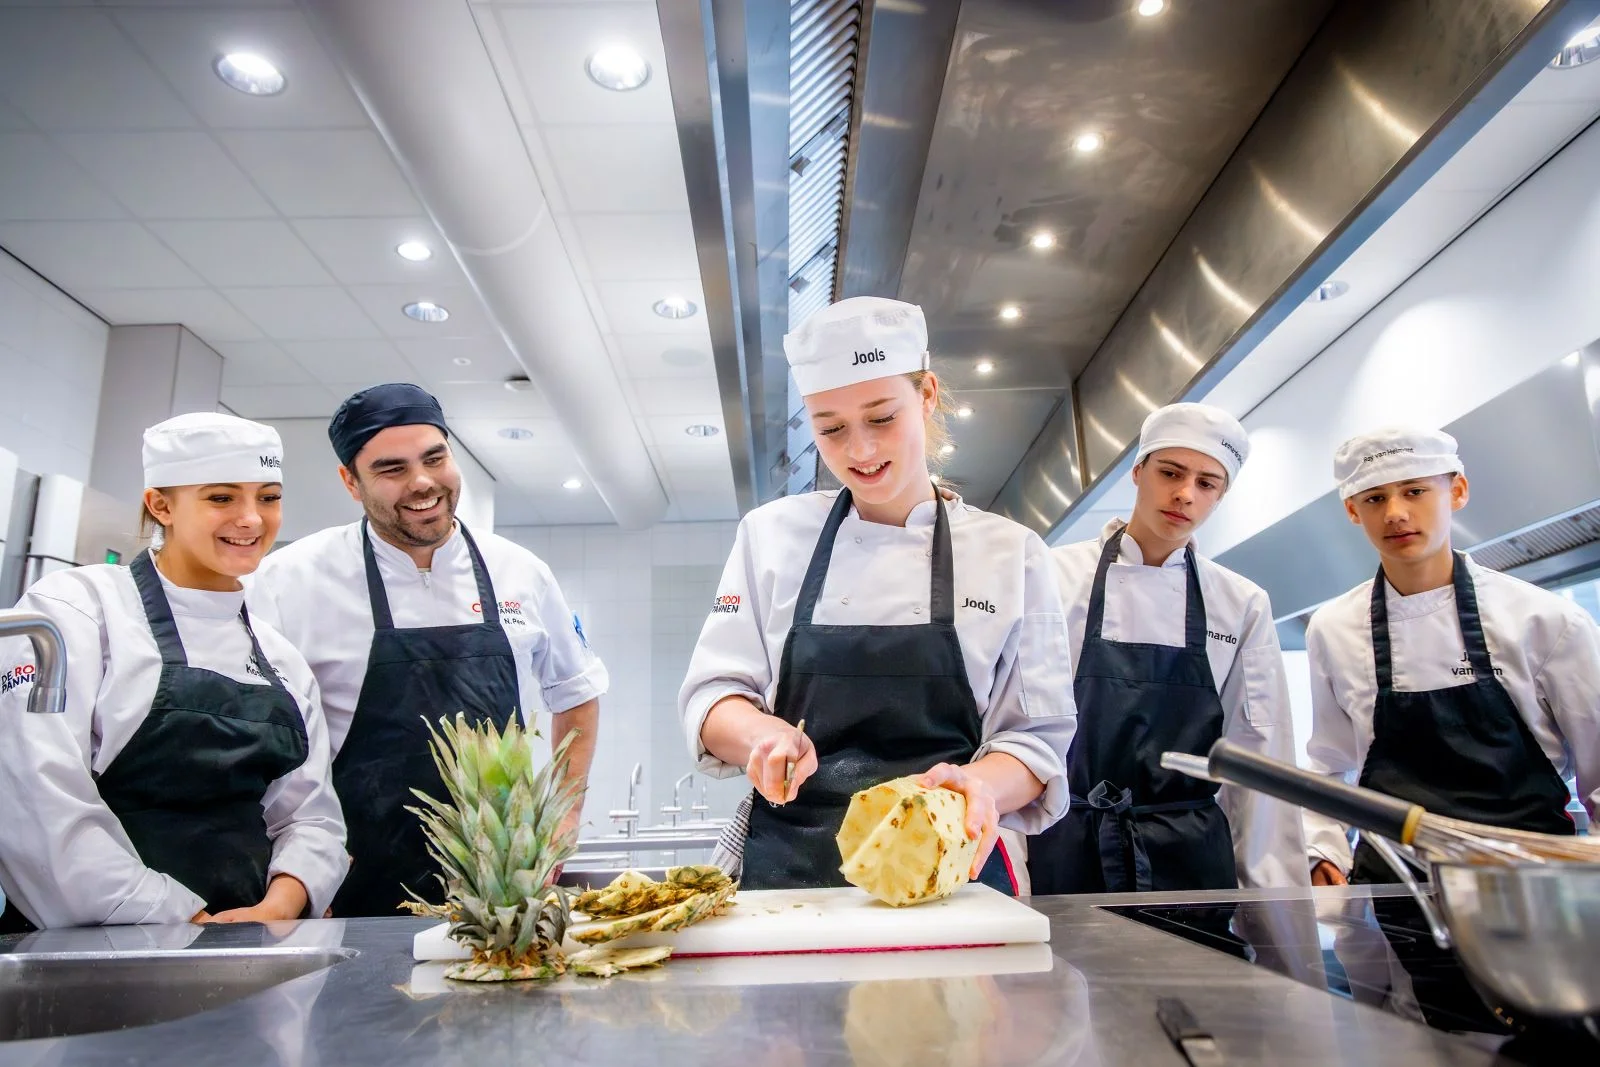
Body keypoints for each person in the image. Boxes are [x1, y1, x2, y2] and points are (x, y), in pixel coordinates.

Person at [680, 296, 1076, 892]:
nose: (859, 451)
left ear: (927, 394)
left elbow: (1036, 741)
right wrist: (760, 734)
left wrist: (983, 785)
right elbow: (713, 698)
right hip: (790, 877)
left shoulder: (1012, 554)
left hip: (951, 875)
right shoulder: (770, 536)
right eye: (830, 429)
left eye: (882, 417)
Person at [248, 383, 606, 916]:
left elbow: (576, 691)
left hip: (499, 891)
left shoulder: (519, 571)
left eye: (435, 458)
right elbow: (262, 745)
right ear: (351, 482)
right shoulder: (288, 581)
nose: (422, 483)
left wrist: (565, 813)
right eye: (391, 469)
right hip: (346, 883)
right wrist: (296, 876)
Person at [0, 413, 346, 929]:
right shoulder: (78, 610)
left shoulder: (281, 658)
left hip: (250, 948)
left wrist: (276, 910)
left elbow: (311, 815)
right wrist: (180, 920)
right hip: (102, 945)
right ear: (160, 504)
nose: (252, 518)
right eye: (222, 498)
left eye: (268, 497)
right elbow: (36, 796)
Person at [1030, 403, 1308, 894]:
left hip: (1191, 864)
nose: (1185, 494)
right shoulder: (1051, 578)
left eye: (1206, 484)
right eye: (1171, 473)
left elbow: (1260, 761)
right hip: (1063, 848)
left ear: (1220, 497)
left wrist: (1281, 942)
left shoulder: (1240, 604)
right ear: (1138, 472)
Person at [1303, 427, 1600, 885]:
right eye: (1375, 499)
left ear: (1456, 491)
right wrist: (1322, 849)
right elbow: (1331, 765)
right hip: (1395, 891)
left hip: (1533, 889)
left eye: (1415, 491)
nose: (1396, 513)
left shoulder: (1546, 620)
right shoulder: (1334, 628)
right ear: (1352, 511)